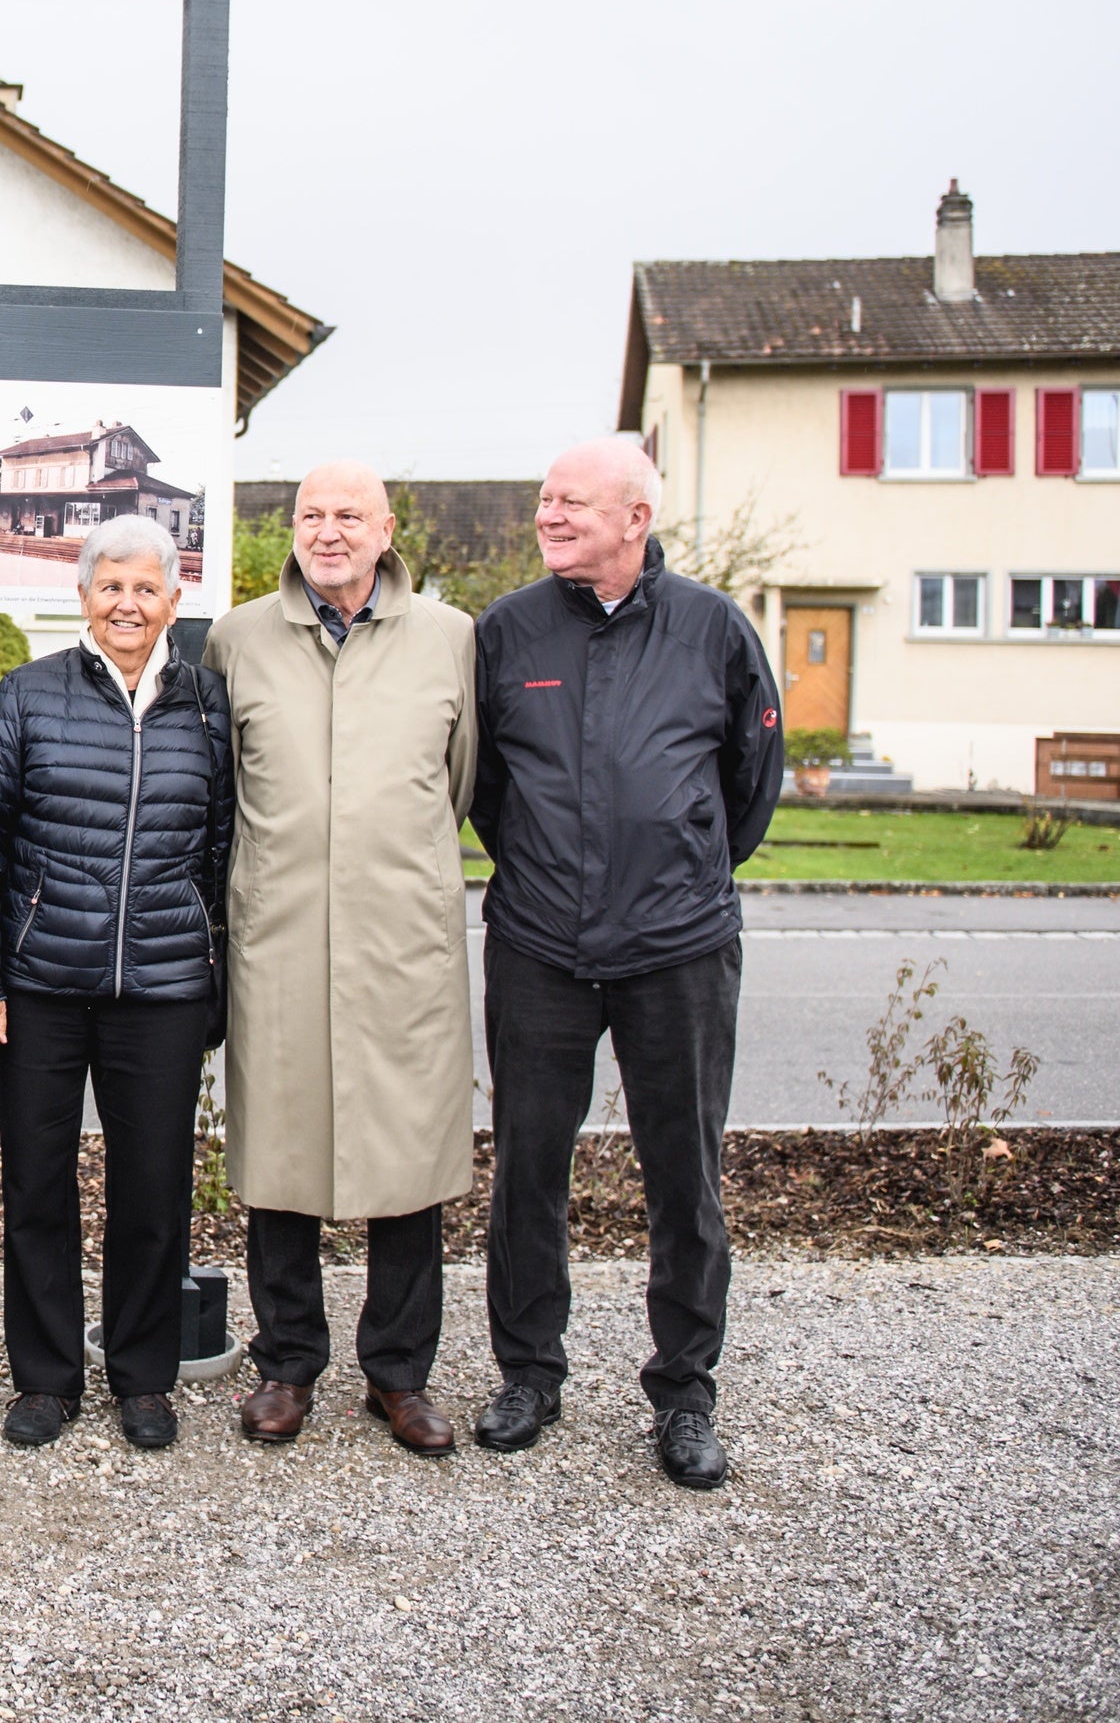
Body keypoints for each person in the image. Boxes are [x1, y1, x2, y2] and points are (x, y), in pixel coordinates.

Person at [469, 436, 783, 1491]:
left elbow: (749, 780)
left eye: (569, 502)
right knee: (524, 1170)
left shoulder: (712, 630)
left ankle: (685, 1391)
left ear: (634, 517)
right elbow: (484, 789)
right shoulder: (506, 631)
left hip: (676, 950)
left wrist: (680, 867)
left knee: (684, 1177)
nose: (547, 516)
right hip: (539, 946)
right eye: (543, 500)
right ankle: (527, 1372)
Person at [202, 461, 478, 1455]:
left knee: (406, 1161)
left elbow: (457, 781)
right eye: (311, 515)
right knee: (278, 1158)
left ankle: (398, 1376)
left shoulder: (448, 639)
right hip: (276, 939)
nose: (327, 531)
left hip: (398, 945)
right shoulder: (239, 637)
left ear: (386, 529)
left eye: (348, 515)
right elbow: (222, 792)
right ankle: (286, 1365)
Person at [0, 513, 232, 1453]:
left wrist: (210, 973)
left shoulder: (206, 704)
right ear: (82, 597)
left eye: (146, 588)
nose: (127, 603)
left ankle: (143, 1378)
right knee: (38, 1183)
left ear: (174, 600)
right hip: (40, 985)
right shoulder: (28, 695)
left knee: (152, 1187)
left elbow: (221, 848)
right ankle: (46, 1378)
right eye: (110, 586)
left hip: (159, 987)